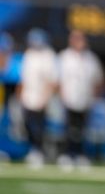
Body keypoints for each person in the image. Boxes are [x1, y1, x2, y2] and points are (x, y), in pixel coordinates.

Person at [57, 30, 103, 171]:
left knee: (82, 130)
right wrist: (62, 95)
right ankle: (67, 155)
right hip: (69, 99)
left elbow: (98, 79)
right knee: (69, 129)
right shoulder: (64, 57)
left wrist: (93, 97)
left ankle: (80, 155)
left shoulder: (91, 58)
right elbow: (58, 79)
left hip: (85, 100)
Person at [18, 28, 58, 168]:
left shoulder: (48, 55)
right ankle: (33, 150)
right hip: (28, 96)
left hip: (41, 97)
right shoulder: (29, 55)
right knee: (27, 124)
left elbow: (51, 80)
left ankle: (40, 151)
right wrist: (21, 95)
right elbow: (23, 78)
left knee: (39, 127)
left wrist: (45, 98)